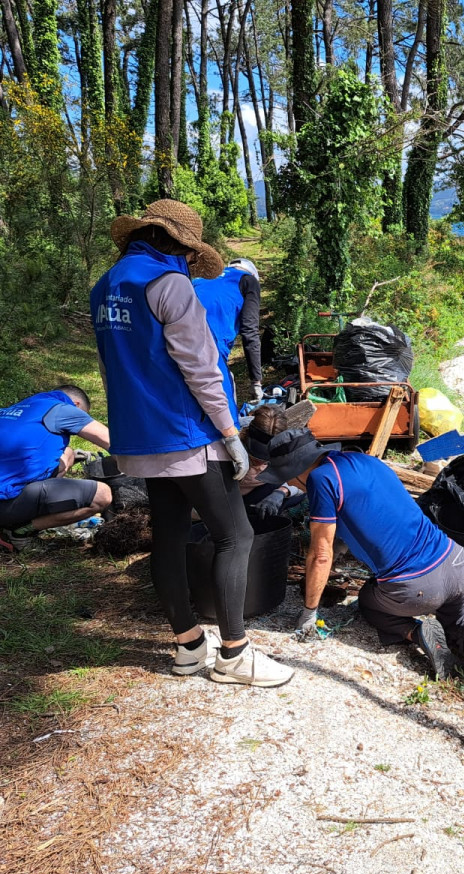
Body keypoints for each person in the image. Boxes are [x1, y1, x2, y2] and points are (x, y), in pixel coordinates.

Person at [91, 199, 292, 688]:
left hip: (140, 436)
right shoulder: (170, 284)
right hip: (188, 435)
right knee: (235, 535)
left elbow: (112, 366)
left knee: (171, 536)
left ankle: (187, 647)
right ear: (178, 246)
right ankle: (235, 655)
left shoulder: (106, 286)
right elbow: (201, 369)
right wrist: (230, 433)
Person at [255, 427, 464, 683]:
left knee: (369, 602)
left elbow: (320, 555)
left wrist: (308, 613)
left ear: (298, 469)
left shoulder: (320, 479)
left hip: (416, 585)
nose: (290, 484)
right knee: (459, 615)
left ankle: (417, 632)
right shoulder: (366, 460)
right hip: (455, 562)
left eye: (288, 478)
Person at [0, 385, 112, 551]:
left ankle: (27, 515)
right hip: (0, 503)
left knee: (68, 453)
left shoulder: (24, 407)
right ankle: (18, 534)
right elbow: (115, 442)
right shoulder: (64, 409)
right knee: (102, 495)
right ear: (77, 405)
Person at [193, 257, 265, 402]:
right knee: (225, 406)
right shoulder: (248, 281)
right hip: (211, 349)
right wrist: (256, 381)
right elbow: (250, 331)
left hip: (175, 344)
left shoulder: (199, 280)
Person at [237, 405, 305, 519]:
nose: (260, 463)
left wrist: (282, 492)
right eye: (256, 457)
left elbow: (303, 477)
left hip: (262, 490)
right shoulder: (230, 437)